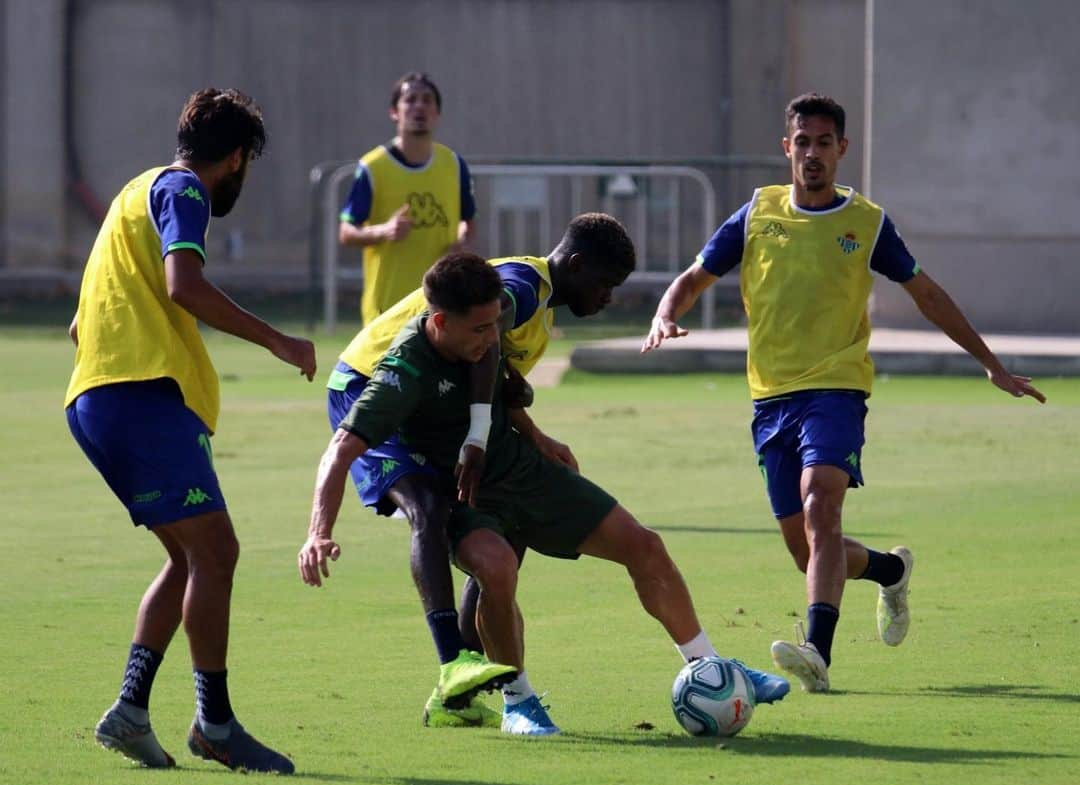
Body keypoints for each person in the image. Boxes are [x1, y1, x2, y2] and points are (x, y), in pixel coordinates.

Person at [641, 93, 1046, 693]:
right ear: (787, 148)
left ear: (842, 150)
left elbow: (927, 293)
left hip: (837, 388)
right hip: (769, 398)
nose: (812, 154)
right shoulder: (756, 214)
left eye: (824, 143)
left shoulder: (868, 223)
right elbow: (695, 277)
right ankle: (889, 570)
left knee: (820, 504)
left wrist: (991, 364)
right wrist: (664, 313)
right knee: (809, 555)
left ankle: (818, 653)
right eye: (801, 142)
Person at [299, 253, 789, 736]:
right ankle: (519, 702)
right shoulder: (404, 370)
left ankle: (712, 669)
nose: (493, 338)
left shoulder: (484, 331)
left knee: (644, 545)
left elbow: (492, 368)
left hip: (513, 461)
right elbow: (340, 449)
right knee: (495, 566)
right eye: (481, 328)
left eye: (497, 325)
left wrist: (533, 436)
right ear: (441, 321)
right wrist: (318, 533)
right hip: (459, 483)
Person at [64, 88, 316, 772]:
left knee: (189, 558)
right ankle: (216, 723)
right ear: (235, 158)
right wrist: (278, 340)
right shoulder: (185, 193)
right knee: (219, 552)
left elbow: (80, 321)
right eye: (245, 166)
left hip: (98, 397)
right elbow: (185, 285)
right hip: (140, 397)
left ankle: (131, 709)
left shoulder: (131, 195)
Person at [326, 214, 638, 729]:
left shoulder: (539, 310)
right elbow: (485, 343)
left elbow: (485, 369)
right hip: (369, 383)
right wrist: (477, 438)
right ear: (578, 266)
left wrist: (534, 435)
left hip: (435, 397)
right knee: (428, 506)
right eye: (606, 284)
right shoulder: (521, 289)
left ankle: (461, 689)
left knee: (503, 531)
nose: (609, 297)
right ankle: (452, 661)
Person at [339, 71, 476, 327]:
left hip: (441, 303)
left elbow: (468, 222)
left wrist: (460, 245)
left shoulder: (454, 165)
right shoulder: (373, 167)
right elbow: (346, 232)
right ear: (395, 111)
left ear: (437, 113)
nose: (419, 106)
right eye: (410, 99)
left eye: (427, 100)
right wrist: (384, 231)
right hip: (389, 306)